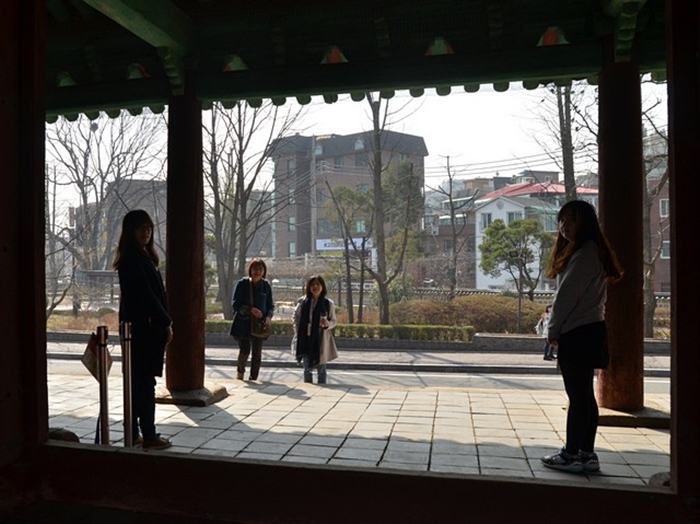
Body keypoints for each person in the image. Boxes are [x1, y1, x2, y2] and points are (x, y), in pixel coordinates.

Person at [541, 200, 623, 473]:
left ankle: (571, 453)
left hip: (578, 331)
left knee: (578, 398)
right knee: (585, 397)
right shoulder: (590, 251)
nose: (564, 226)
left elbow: (566, 297)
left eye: (571, 220)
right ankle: (586, 454)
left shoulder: (585, 254)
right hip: (590, 329)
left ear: (584, 222)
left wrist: (552, 329)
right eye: (561, 221)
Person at [113, 209, 173, 450]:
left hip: (142, 329)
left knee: (139, 383)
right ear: (130, 231)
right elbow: (147, 297)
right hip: (143, 331)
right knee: (144, 384)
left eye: (149, 228)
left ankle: (135, 432)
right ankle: (148, 434)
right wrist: (166, 321)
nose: (146, 232)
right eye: (141, 228)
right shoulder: (133, 260)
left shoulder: (141, 257)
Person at [229, 258, 274, 381]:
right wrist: (250, 310)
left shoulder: (266, 286)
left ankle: (254, 377)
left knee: (257, 353)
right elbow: (235, 304)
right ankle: (240, 373)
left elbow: (271, 305)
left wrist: (268, 317)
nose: (258, 271)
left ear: (264, 271)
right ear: (250, 270)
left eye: (260, 269)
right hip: (243, 323)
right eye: (255, 268)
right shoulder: (242, 284)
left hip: (259, 324)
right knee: (244, 350)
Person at [293, 275, 338, 384]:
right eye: (312, 284)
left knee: (321, 369)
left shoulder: (328, 303)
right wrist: (298, 330)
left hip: (321, 339)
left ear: (322, 287)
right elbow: (295, 317)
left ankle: (322, 388)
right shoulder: (302, 302)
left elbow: (334, 321)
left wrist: (327, 324)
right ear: (308, 287)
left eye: (318, 284)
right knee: (307, 369)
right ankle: (308, 387)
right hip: (305, 338)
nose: (315, 286)